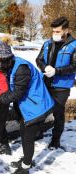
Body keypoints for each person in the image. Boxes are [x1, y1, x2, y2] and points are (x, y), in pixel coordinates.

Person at [0, 43, 55, 174]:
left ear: (5, 58)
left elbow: (18, 93)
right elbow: (12, 88)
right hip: (28, 107)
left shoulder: (21, 68)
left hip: (36, 107)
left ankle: (25, 169)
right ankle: (26, 161)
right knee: (24, 135)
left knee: (27, 139)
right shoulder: (11, 66)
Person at [36, 17, 76, 150]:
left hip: (62, 86)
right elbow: (39, 59)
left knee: (58, 113)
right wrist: (44, 67)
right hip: (46, 82)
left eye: (58, 31)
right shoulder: (47, 43)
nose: (55, 34)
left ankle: (55, 140)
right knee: (41, 109)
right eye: (53, 31)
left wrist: (57, 71)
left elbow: (74, 66)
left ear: (66, 30)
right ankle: (38, 132)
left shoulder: (74, 46)